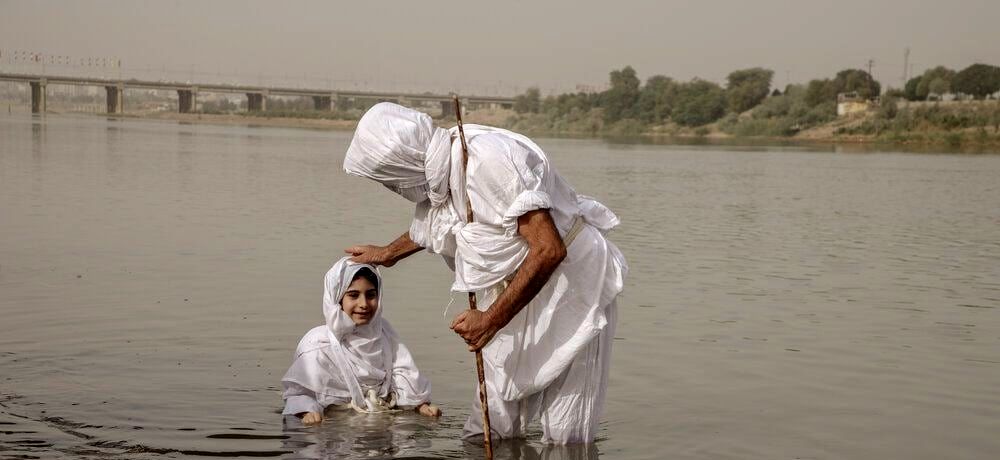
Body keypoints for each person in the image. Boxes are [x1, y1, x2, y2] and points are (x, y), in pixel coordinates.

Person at [342, 103, 627, 444]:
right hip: (515, 291)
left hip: (570, 286)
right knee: (488, 427)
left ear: (404, 163)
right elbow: (446, 219)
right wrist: (388, 254)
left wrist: (491, 319)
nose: (392, 188)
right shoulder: (442, 169)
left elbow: (549, 249)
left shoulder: (489, 162)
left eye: (388, 178)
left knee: (566, 432)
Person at [281, 257, 441, 425]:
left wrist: (421, 406)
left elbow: (403, 375)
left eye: (371, 295)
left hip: (381, 428)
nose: (363, 304)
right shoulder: (317, 344)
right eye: (353, 295)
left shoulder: (385, 334)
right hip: (337, 430)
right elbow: (299, 394)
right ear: (337, 299)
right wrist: (306, 412)